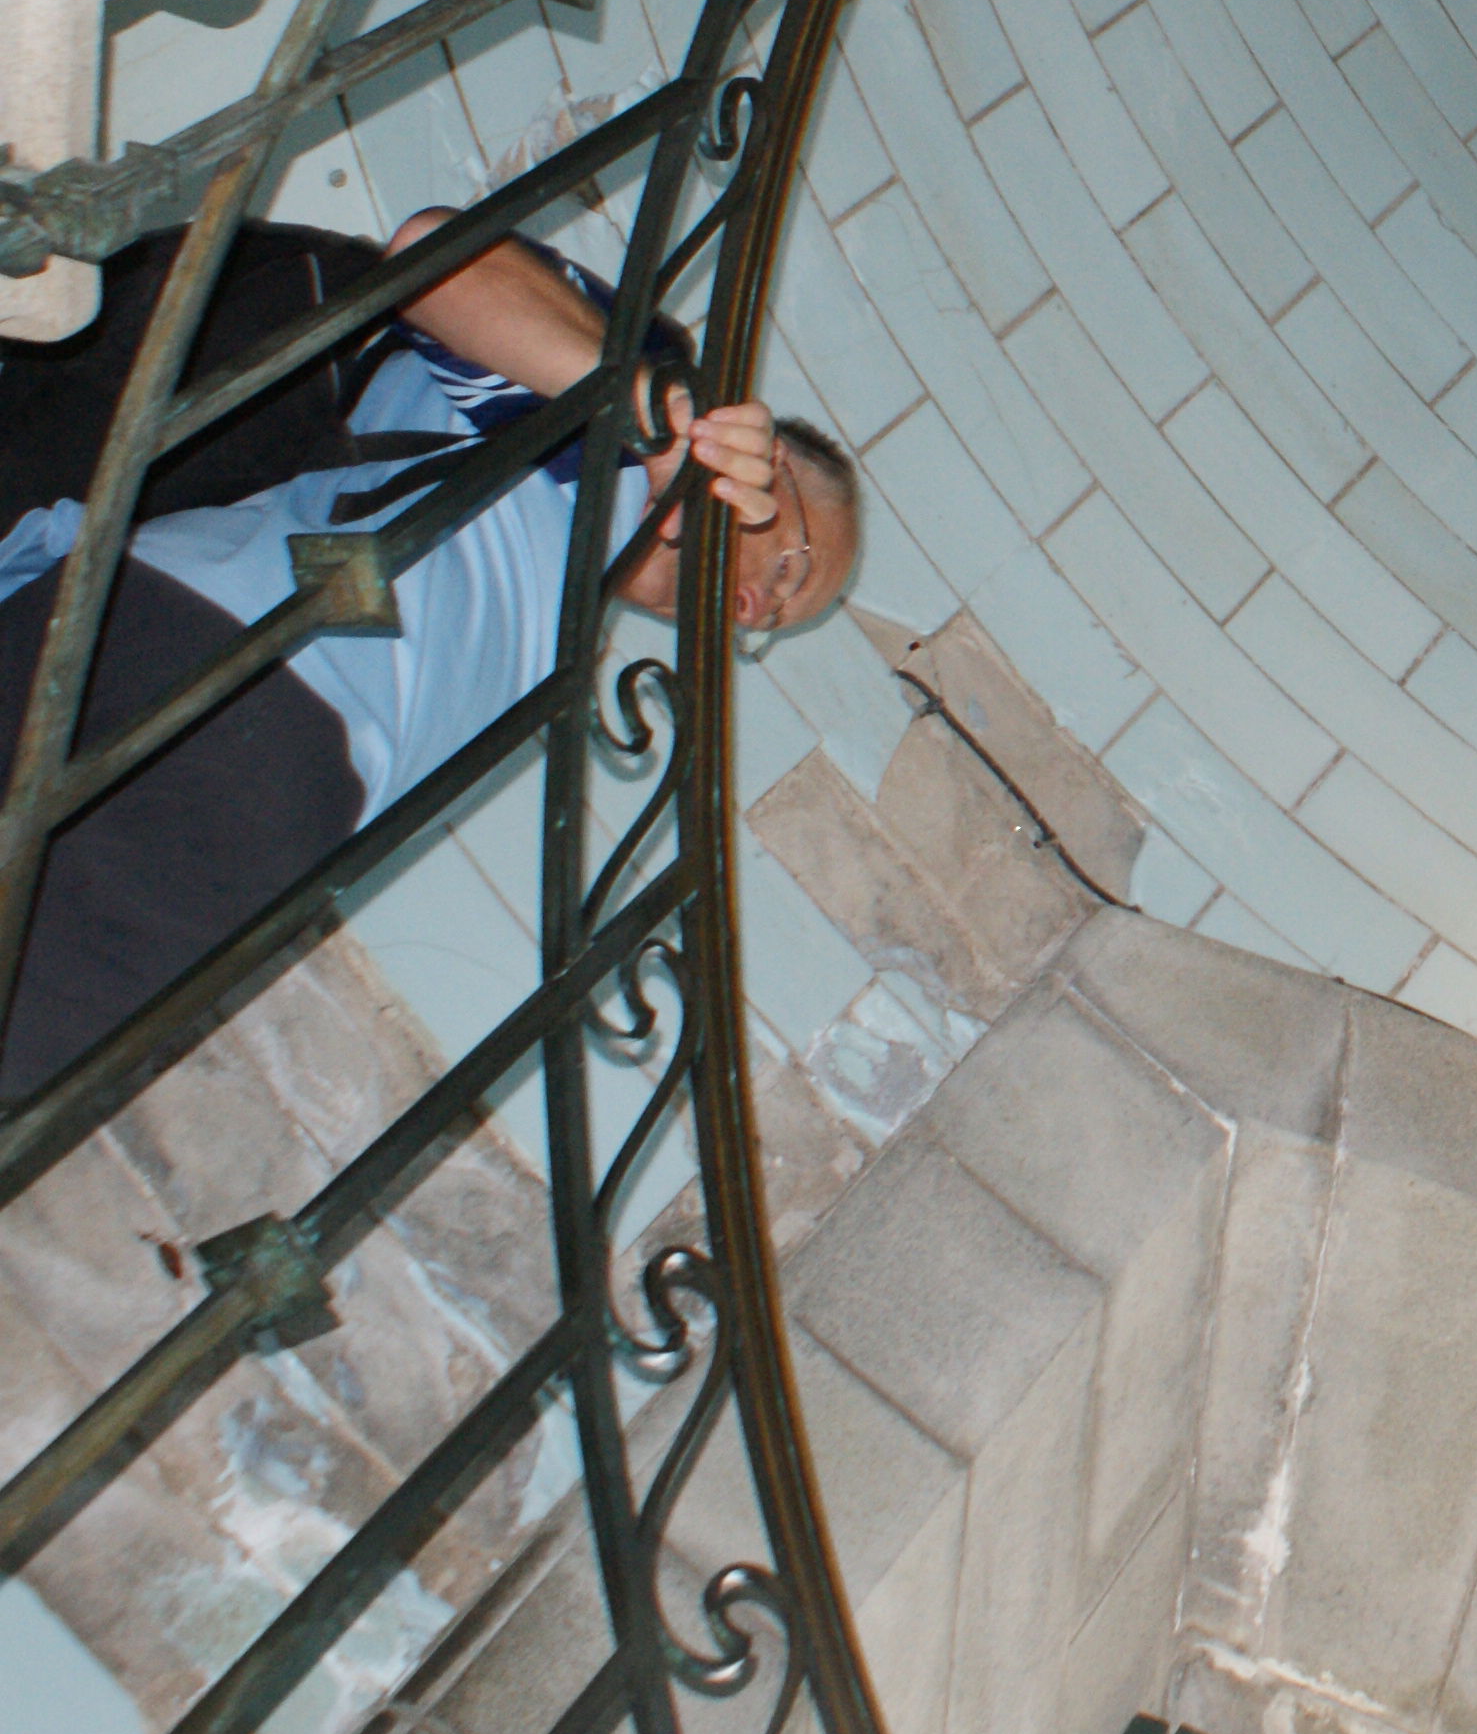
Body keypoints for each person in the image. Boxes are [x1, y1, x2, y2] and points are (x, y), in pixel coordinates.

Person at [0, 212, 860, 1096]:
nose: (751, 608)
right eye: (788, 565)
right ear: (768, 460)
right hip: (206, 640)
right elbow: (435, 259)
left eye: (768, 625)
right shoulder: (611, 399)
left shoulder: (574, 620)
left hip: (281, 813)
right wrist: (653, 411)